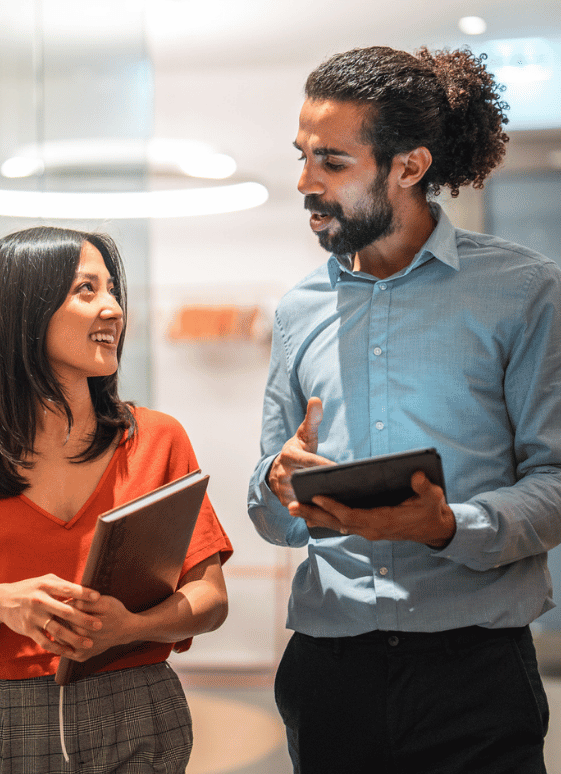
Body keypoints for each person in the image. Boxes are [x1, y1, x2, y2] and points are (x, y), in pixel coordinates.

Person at [248, 45, 561, 773]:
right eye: (302, 156)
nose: (304, 182)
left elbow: (556, 483)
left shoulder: (524, 292)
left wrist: (450, 526)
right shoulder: (298, 310)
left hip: (475, 678)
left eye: (331, 161)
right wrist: (276, 481)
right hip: (329, 674)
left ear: (409, 167)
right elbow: (268, 516)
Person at [0, 226, 231, 773]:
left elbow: (210, 600)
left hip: (138, 705)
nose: (113, 309)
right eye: (86, 290)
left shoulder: (159, 441)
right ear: (24, 312)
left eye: (113, 290)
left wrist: (129, 628)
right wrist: (1, 602)